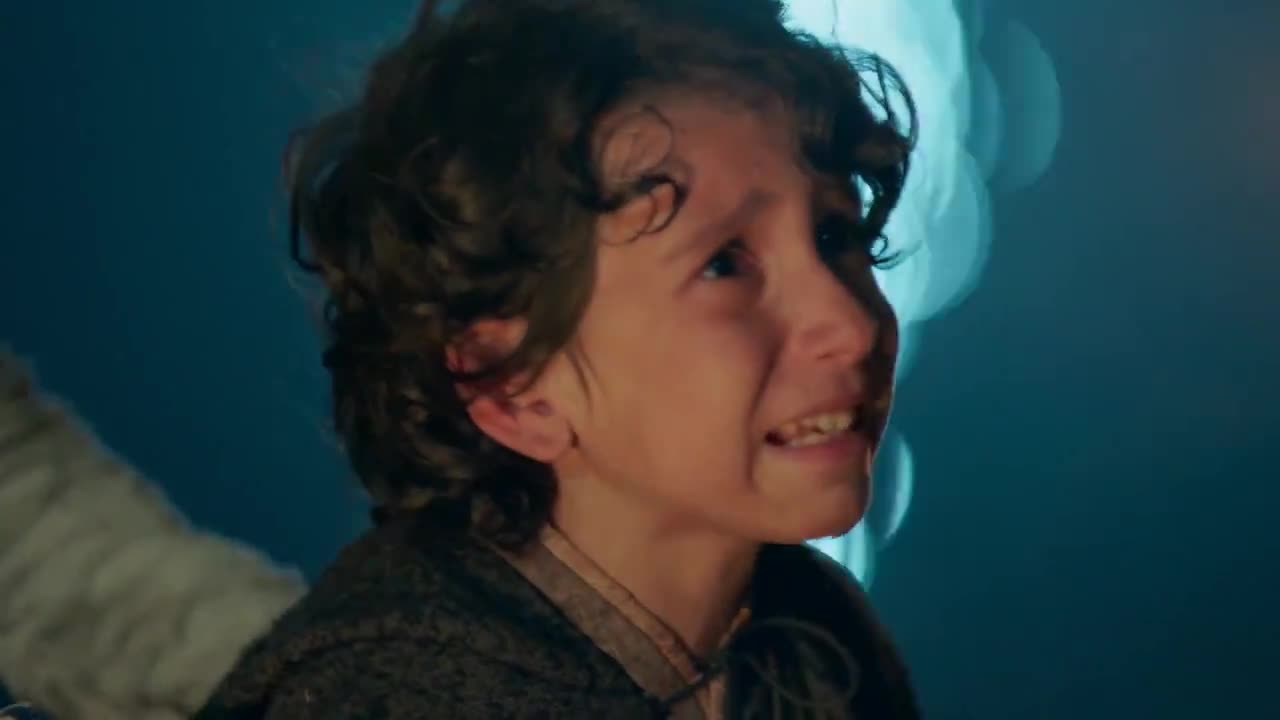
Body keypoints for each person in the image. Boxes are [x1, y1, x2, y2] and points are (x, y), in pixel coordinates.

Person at [196, 0, 921, 717]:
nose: (851, 325)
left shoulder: (822, 649)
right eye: (723, 264)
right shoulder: (395, 697)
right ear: (512, 387)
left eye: (836, 236)